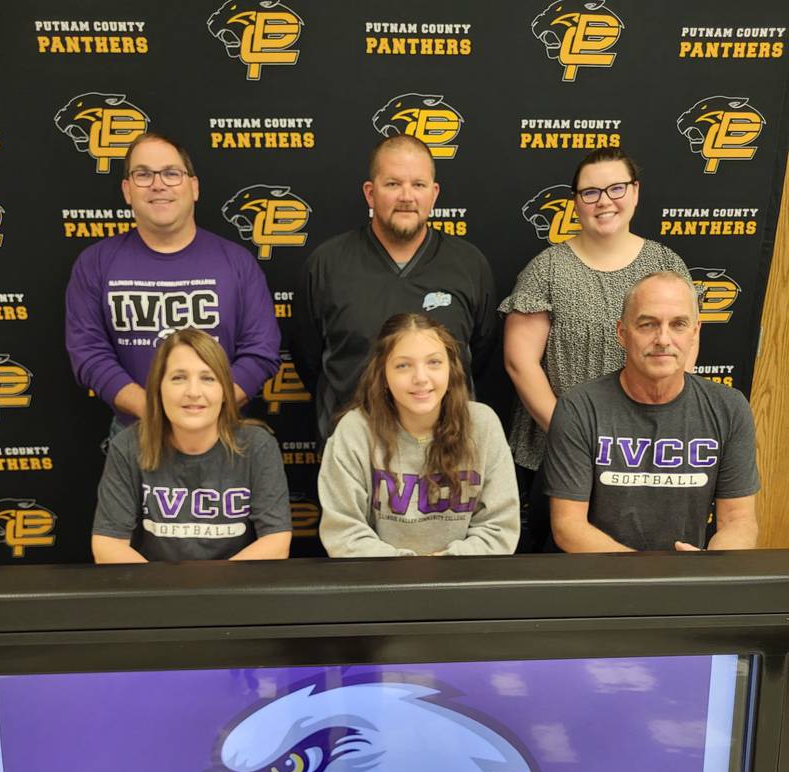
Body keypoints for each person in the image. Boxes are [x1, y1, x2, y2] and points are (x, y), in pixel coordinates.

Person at [500, 147, 692, 549]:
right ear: (576, 203)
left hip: (644, 454)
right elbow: (521, 363)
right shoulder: (547, 269)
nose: (604, 200)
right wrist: (574, 434)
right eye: (590, 192)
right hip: (559, 450)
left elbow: (682, 352)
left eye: (616, 188)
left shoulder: (666, 264)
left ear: (635, 192)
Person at [66, 132, 280, 429]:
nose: (158, 184)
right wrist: (154, 412)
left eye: (171, 173)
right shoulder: (95, 263)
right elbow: (89, 354)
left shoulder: (237, 262)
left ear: (193, 187)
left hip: (221, 432)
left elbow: (261, 351)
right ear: (127, 191)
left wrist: (202, 413)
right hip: (136, 434)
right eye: (143, 174)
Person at [292, 134, 498, 439]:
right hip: (355, 449)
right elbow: (308, 358)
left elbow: (479, 354)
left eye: (418, 184)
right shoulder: (327, 264)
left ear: (434, 193)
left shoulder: (468, 264)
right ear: (370, 193)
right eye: (393, 184)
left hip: (446, 448)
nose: (406, 196)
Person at [543, 272, 759, 553]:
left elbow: (739, 521)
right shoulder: (580, 407)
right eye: (648, 324)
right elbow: (568, 526)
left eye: (679, 324)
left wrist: (712, 565)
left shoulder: (729, 407)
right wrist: (650, 577)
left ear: (695, 332)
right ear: (622, 333)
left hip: (689, 577)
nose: (663, 339)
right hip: (601, 578)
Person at [318, 313, 519, 557]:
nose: (421, 378)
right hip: (380, 585)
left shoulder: (482, 424)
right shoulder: (355, 431)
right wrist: (410, 571)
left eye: (433, 362)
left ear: (451, 369)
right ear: (382, 374)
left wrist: (442, 568)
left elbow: (499, 528)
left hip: (464, 583)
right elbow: (343, 532)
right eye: (403, 365)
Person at [92, 328, 292, 562]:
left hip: (233, 591)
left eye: (207, 378)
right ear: (157, 389)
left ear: (225, 391)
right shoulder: (127, 446)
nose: (193, 392)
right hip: (155, 591)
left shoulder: (257, 446)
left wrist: (211, 594)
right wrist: (167, 595)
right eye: (178, 378)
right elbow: (108, 545)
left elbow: (276, 542)